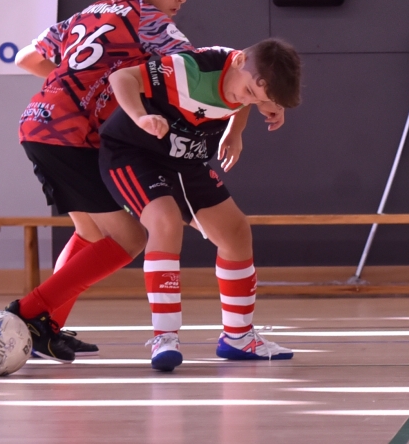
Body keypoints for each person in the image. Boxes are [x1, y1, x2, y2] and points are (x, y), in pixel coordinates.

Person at [8, 0, 203, 362]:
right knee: (131, 237)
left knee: (91, 234)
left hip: (38, 123)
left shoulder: (90, 12)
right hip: (70, 136)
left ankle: (45, 329)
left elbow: (26, 58)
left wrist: (72, 85)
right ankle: (27, 314)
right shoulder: (151, 21)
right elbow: (194, 70)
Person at [100, 39, 301, 371]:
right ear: (239, 61)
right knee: (165, 222)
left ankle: (238, 337)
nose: (249, 100)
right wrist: (140, 117)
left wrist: (237, 130)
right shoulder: (189, 69)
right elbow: (122, 77)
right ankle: (165, 337)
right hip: (133, 152)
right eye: (250, 92)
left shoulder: (247, 81)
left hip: (184, 158)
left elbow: (244, 99)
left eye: (258, 98)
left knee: (236, 232)